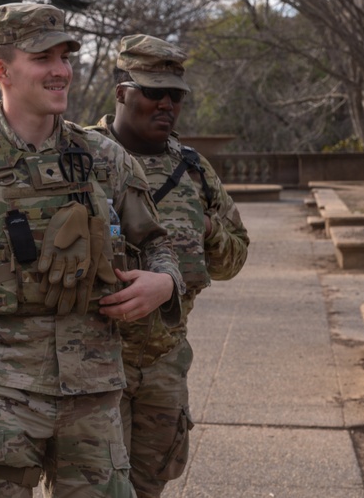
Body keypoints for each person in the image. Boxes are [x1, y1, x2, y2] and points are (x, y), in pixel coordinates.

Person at [0, 3, 186, 497]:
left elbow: (158, 245)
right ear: (1, 69)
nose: (60, 71)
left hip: (95, 398)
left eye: (64, 56)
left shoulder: (103, 159)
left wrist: (165, 283)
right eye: (42, 58)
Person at [87, 34, 249, 498]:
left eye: (175, 95)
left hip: (164, 363)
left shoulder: (194, 170)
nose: (166, 105)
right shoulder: (80, 158)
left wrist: (207, 232)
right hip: (94, 361)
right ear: (121, 92)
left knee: (149, 483)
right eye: (153, 92)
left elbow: (235, 258)